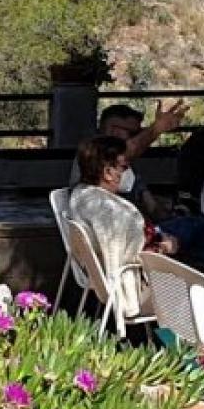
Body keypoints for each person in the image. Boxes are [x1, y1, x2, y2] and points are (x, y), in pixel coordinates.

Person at [97, 98, 204, 279]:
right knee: (199, 227)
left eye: (136, 132)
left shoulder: (126, 169)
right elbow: (126, 151)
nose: (131, 137)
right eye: (126, 131)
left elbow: (151, 205)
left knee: (200, 243)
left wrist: (171, 213)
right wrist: (156, 130)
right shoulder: (98, 162)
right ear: (109, 129)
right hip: (133, 246)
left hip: (140, 236)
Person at [64, 135, 178, 320]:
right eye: (124, 167)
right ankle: (179, 343)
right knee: (195, 270)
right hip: (132, 283)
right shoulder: (116, 213)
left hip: (99, 277)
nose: (128, 173)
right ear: (108, 173)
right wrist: (164, 247)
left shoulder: (81, 196)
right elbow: (135, 254)